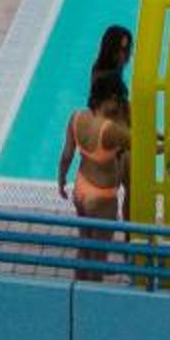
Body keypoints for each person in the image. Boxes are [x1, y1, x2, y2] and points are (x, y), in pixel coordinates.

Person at [55, 66, 134, 276]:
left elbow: (67, 154)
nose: (120, 104)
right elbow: (144, 147)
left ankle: (76, 287)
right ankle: (91, 291)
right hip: (101, 197)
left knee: (84, 246)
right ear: (110, 98)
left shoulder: (77, 116)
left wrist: (61, 179)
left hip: (81, 190)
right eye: (118, 99)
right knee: (99, 258)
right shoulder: (110, 130)